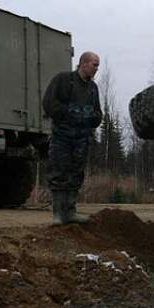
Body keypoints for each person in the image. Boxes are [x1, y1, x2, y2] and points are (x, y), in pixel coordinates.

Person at [42, 51, 102, 225]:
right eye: (94, 64)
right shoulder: (63, 80)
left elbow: (98, 113)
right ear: (83, 63)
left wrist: (91, 117)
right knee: (58, 172)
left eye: (98, 65)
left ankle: (70, 212)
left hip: (81, 139)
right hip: (62, 137)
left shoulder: (93, 88)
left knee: (76, 174)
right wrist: (69, 113)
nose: (97, 68)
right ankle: (58, 214)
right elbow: (49, 103)